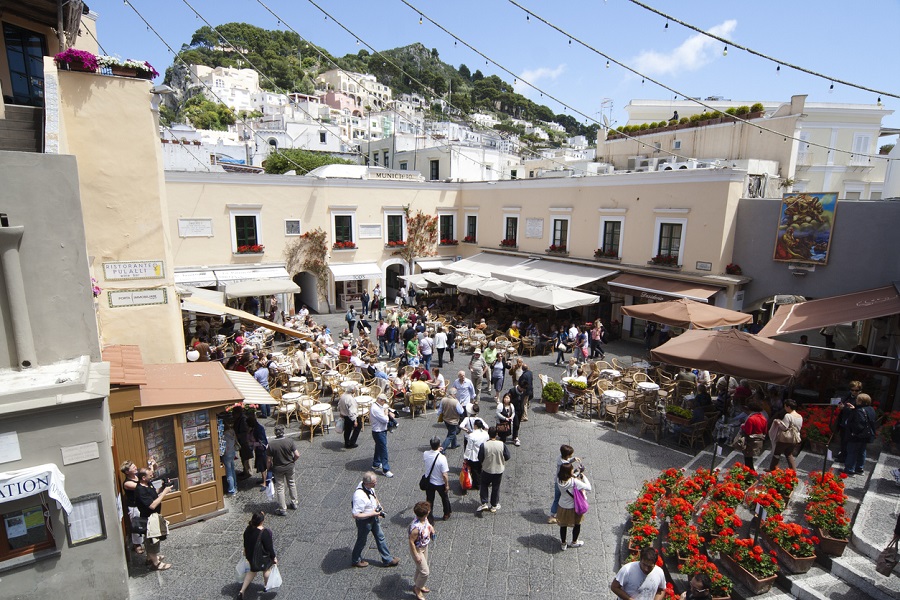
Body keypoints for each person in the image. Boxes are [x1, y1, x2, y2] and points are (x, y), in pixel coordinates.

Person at [351, 471, 401, 568]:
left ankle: (387, 559)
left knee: (380, 537)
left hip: (373, 517)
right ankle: (355, 560)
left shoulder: (368, 486)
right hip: (364, 522)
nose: (376, 483)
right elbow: (355, 514)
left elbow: (374, 494)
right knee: (362, 540)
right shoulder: (359, 496)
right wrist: (373, 513)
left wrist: (379, 505)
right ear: (367, 483)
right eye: (374, 482)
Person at [134, 467, 173, 570]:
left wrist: (161, 488)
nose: (152, 476)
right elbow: (152, 505)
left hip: (155, 517)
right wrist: (165, 492)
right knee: (152, 540)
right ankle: (156, 564)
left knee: (154, 538)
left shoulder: (148, 484)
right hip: (149, 519)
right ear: (143, 478)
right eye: (149, 475)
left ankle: (150, 558)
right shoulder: (140, 490)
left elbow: (153, 493)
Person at [238, 511, 277, 600]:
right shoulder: (264, 532)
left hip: (251, 556)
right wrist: (273, 557)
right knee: (266, 570)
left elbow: (245, 542)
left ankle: (242, 591)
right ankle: (266, 586)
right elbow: (269, 548)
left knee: (252, 571)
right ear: (262, 521)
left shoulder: (248, 529)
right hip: (262, 558)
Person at [121, 459, 154, 555]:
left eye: (134, 465)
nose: (135, 467)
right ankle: (137, 545)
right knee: (137, 526)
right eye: (132, 467)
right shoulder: (127, 483)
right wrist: (146, 478)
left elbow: (148, 474)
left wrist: (151, 465)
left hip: (142, 505)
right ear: (127, 472)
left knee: (146, 524)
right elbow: (141, 487)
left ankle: (146, 541)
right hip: (134, 507)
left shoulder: (137, 475)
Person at [556, 462, 591, 550]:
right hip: (574, 508)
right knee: (577, 524)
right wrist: (583, 476)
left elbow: (571, 476)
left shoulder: (559, 479)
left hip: (562, 506)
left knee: (563, 526)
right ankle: (574, 542)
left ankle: (563, 543)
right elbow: (588, 487)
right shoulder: (574, 482)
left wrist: (576, 472)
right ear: (569, 472)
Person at [266, 425, 299, 516]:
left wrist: (268, 469)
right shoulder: (289, 441)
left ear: (275, 433)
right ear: (283, 432)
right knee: (292, 483)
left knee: (280, 487)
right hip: (289, 467)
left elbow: (269, 460)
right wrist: (293, 460)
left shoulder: (271, 445)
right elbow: (297, 454)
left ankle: (282, 508)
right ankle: (294, 502)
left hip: (278, 468)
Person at [477, 426, 510, 513]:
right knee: (496, 487)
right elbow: (507, 457)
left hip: (487, 469)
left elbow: (480, 458)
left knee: (484, 485)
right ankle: (494, 505)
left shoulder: (484, 445)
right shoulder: (501, 444)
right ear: (497, 434)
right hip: (498, 470)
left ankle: (484, 503)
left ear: (488, 434)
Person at [844, 393, 877, 476]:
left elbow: (859, 424)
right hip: (866, 435)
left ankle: (849, 469)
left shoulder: (859, 411)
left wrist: (853, 433)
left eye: (857, 400)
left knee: (852, 451)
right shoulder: (871, 409)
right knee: (862, 451)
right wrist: (854, 409)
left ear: (861, 401)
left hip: (857, 436)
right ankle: (859, 468)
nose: (855, 401)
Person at [408, 501, 435, 600]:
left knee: (421, 568)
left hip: (425, 546)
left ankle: (419, 582)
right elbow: (411, 542)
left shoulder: (424, 519)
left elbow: (427, 524)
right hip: (418, 549)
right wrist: (416, 555)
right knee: (425, 572)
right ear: (427, 512)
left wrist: (431, 529)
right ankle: (417, 589)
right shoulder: (416, 528)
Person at [767, 399, 803, 471]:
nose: (785, 408)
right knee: (789, 454)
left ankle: (772, 469)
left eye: (785, 406)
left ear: (788, 407)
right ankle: (793, 471)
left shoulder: (788, 416)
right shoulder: (800, 417)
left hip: (785, 438)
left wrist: (778, 422)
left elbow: (784, 428)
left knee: (776, 453)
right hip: (794, 439)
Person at [422, 437, 451, 523]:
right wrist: (447, 484)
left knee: (430, 500)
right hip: (440, 483)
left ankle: (430, 518)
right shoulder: (442, 458)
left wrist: (437, 449)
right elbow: (444, 474)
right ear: (439, 445)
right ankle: (446, 514)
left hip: (429, 482)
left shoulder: (425, 454)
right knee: (444, 498)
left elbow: (431, 453)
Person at [548, 445, 577, 524]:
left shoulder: (559, 458)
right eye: (571, 454)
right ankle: (555, 516)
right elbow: (569, 470)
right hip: (564, 484)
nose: (572, 455)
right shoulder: (564, 465)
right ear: (567, 455)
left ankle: (552, 514)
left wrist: (573, 460)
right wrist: (576, 474)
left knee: (556, 499)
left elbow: (567, 461)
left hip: (557, 482)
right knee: (562, 498)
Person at [836, 381, 863, 463]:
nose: (854, 392)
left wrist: (844, 408)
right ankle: (842, 454)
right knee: (843, 439)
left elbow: (855, 411)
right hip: (844, 421)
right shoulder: (848, 395)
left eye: (856, 390)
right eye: (852, 390)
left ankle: (844, 457)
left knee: (847, 441)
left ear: (860, 391)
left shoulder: (859, 399)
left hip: (851, 423)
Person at [370, 394, 395, 478]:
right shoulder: (375, 409)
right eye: (384, 401)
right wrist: (387, 413)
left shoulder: (378, 406)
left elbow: (385, 406)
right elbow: (385, 420)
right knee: (383, 450)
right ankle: (386, 469)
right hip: (379, 431)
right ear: (380, 400)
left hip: (380, 430)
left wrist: (386, 409)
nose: (384, 403)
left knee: (379, 446)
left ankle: (376, 463)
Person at [462, 416, 489, 492]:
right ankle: (480, 481)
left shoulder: (472, 435)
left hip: (474, 455)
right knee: (480, 468)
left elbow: (469, 448)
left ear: (476, 426)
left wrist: (465, 457)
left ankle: (477, 484)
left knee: (475, 470)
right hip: (483, 454)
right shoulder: (485, 434)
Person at [740, 399, 768, 470]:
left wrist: (743, 426)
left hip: (750, 441)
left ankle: (749, 475)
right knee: (750, 459)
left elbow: (748, 431)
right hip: (759, 440)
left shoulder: (751, 419)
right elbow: (765, 431)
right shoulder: (763, 418)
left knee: (748, 459)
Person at [220, 421, 237, 495]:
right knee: (232, 470)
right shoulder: (232, 431)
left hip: (226, 454)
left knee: (228, 472)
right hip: (232, 452)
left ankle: (231, 489)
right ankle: (235, 486)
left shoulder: (224, 435)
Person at [509, 382, 527, 447]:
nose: (523, 390)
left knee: (518, 424)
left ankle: (514, 435)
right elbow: (509, 399)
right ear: (519, 386)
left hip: (520, 409)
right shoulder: (512, 391)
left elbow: (524, 399)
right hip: (514, 410)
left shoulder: (524, 391)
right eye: (522, 388)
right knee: (516, 423)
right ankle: (515, 437)